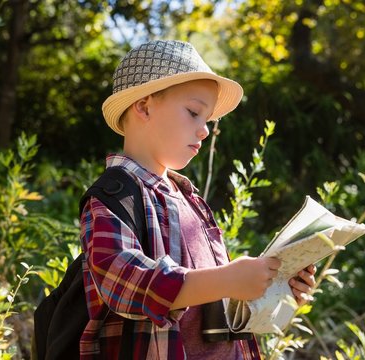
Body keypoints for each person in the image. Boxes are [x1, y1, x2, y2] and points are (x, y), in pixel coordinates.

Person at [79, 39, 316, 359]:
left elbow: (215, 318)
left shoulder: (191, 201)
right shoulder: (115, 198)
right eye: (193, 113)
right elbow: (124, 283)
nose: (204, 130)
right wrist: (227, 279)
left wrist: (276, 294)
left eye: (207, 121)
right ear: (144, 106)